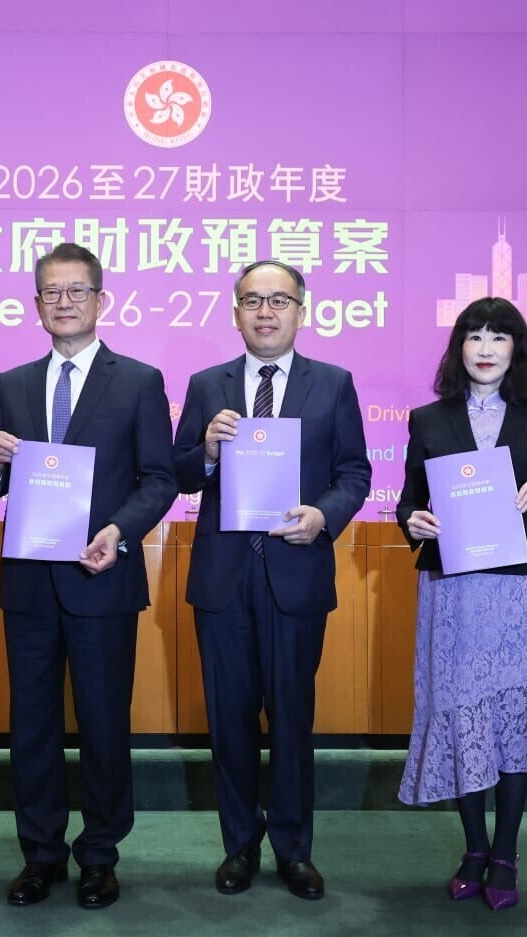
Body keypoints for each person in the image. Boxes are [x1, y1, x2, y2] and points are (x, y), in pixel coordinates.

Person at [0, 242, 176, 911]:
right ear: (36, 304)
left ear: (100, 299)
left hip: (102, 579)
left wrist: (119, 530)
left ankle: (99, 855)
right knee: (31, 725)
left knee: (103, 724)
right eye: (52, 292)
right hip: (29, 583)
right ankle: (40, 855)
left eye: (77, 290)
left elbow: (160, 478)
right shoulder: (11, 383)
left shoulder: (139, 380)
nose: (64, 302)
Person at [173, 260, 371, 900]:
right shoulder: (207, 384)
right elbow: (178, 472)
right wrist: (206, 451)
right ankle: (239, 846)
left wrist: (324, 516)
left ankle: (293, 849)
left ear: (301, 310)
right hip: (224, 578)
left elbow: (354, 473)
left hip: (296, 573)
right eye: (253, 300)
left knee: (291, 718)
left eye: (279, 300)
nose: (265, 312)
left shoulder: (333, 383)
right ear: (235, 312)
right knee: (229, 720)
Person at [396, 296, 527, 911]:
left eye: (498, 337)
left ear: (515, 349)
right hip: (452, 587)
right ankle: (474, 847)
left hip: (518, 589)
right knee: (461, 717)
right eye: (474, 336)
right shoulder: (428, 419)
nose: (485, 348)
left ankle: (505, 852)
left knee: (513, 717)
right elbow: (409, 501)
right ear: (459, 347)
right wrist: (412, 521)